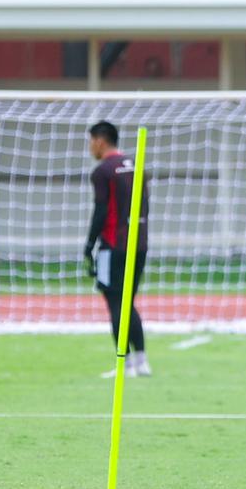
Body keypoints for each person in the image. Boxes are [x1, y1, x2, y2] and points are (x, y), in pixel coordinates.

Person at [85, 120, 151, 378]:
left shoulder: (102, 171)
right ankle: (141, 360)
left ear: (100, 140)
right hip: (140, 243)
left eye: (91, 141)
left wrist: (89, 244)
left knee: (115, 302)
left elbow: (101, 210)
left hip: (113, 246)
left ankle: (124, 362)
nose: (90, 146)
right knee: (128, 302)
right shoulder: (137, 166)